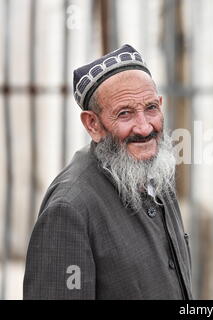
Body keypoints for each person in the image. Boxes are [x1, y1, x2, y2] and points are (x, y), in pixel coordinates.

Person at [23, 44, 193, 300]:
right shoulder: (69, 209)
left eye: (150, 108)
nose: (145, 127)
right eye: (125, 114)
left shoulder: (155, 169)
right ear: (93, 124)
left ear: (160, 105)